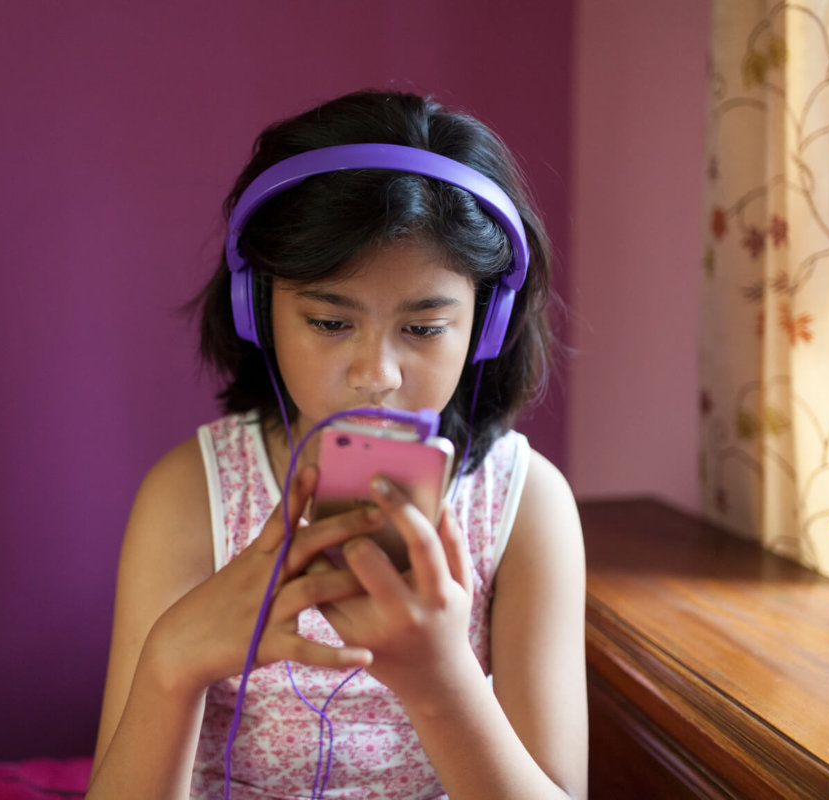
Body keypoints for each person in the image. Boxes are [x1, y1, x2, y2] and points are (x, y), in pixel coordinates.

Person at [86, 89, 587, 800]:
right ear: (257, 310)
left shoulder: (525, 505)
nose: (376, 375)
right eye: (329, 323)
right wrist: (174, 661)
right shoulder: (192, 494)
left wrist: (440, 680)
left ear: (488, 323)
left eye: (422, 328)